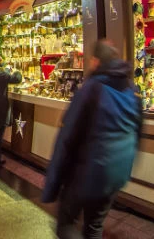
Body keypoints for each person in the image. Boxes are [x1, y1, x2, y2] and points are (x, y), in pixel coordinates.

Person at [43, 40, 142, 239]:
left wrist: (52, 185)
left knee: (66, 224)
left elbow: (67, 137)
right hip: (115, 174)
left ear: (95, 61)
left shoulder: (92, 88)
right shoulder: (131, 88)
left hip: (88, 171)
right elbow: (137, 131)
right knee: (94, 225)